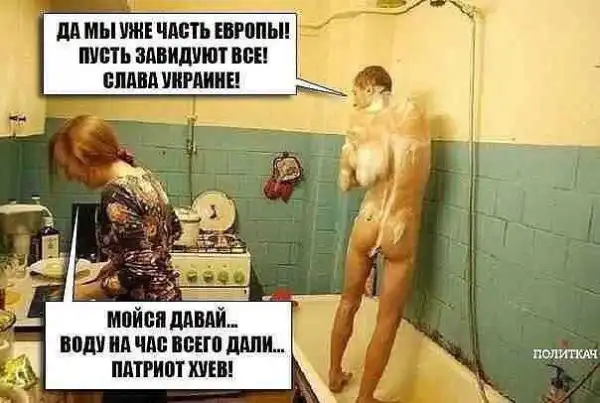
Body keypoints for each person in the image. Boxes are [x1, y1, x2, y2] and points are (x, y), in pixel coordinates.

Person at [49, 115, 182, 403]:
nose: (69, 175)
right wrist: (115, 264)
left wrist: (82, 292)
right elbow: (172, 230)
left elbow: (141, 267)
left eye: (67, 165)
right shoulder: (144, 176)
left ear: (84, 156)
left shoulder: (116, 193)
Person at [328, 66, 431, 403]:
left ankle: (334, 374)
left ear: (371, 87)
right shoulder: (415, 117)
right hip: (400, 227)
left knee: (348, 302)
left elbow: (350, 182)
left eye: (356, 91)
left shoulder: (365, 126)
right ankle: (365, 398)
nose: (354, 99)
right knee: (387, 320)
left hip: (369, 219)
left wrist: (351, 155)